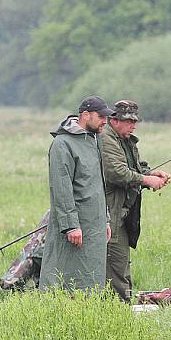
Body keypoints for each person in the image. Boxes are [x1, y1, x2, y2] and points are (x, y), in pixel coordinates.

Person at [39, 96, 114, 291]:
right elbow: (61, 188)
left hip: (95, 223)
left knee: (92, 280)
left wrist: (105, 219)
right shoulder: (62, 144)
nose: (105, 122)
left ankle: (88, 314)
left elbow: (98, 184)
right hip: (75, 224)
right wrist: (71, 226)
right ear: (85, 115)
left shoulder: (94, 140)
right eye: (101, 116)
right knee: (66, 278)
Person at [101, 100, 171, 302]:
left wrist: (151, 174)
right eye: (128, 121)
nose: (133, 125)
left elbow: (133, 168)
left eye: (134, 121)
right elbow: (117, 173)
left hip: (122, 212)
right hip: (109, 212)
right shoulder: (106, 139)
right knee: (116, 266)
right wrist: (147, 180)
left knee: (121, 265)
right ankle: (118, 311)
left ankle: (120, 307)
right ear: (114, 120)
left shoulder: (125, 139)